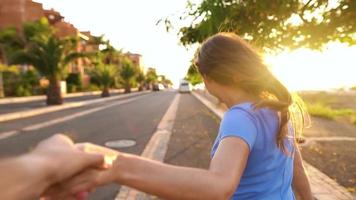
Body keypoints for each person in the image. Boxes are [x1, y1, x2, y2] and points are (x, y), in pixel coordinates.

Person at [0, 32, 313, 200]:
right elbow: (295, 163)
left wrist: (116, 166)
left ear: (208, 77)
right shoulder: (277, 109)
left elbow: (219, 187)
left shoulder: (240, 117)